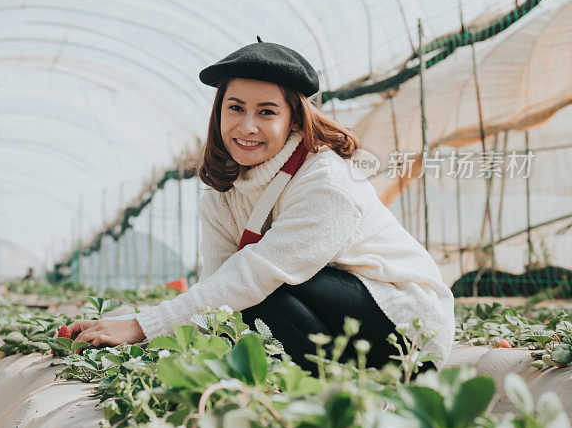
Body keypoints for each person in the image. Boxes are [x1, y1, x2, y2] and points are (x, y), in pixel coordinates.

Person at [66, 38, 455, 374]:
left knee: (259, 290)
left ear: (294, 120)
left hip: (406, 328)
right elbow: (217, 287)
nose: (247, 126)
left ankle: (353, 390)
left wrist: (142, 325)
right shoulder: (222, 192)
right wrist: (128, 329)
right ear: (219, 112)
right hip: (326, 317)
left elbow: (254, 276)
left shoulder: (326, 183)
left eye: (266, 112)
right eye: (235, 108)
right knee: (235, 303)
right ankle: (309, 387)